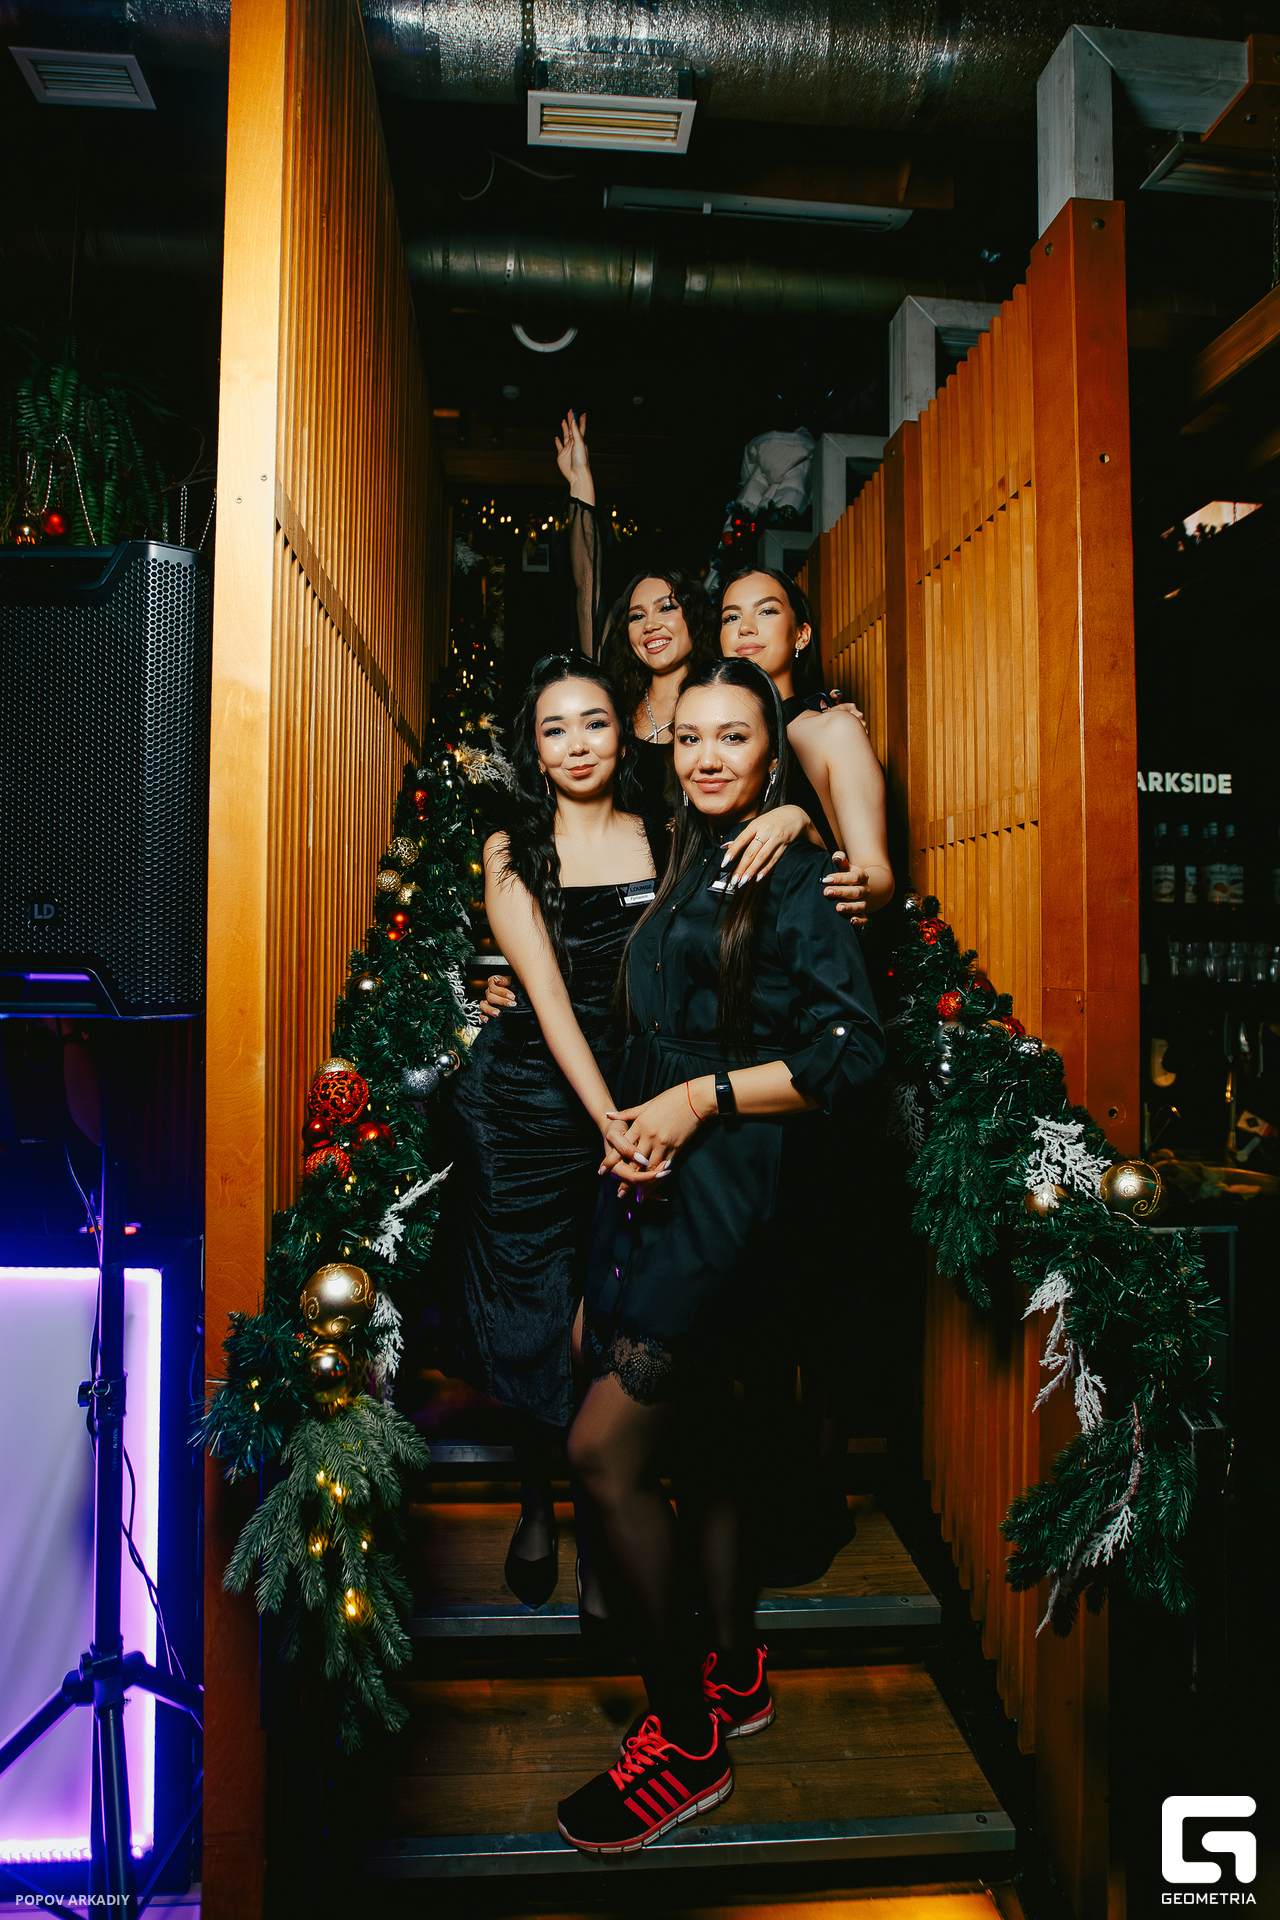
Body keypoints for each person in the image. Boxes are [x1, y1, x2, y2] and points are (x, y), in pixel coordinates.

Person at [555, 658, 884, 1855]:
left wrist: (695, 1102)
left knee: (602, 1455)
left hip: (733, 1197)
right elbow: (663, 1034)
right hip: (656, 1181)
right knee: (706, 1452)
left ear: (769, 749)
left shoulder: (793, 872)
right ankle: (734, 1674)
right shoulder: (697, 858)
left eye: (733, 737)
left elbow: (851, 1054)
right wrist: (637, 1129)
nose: (705, 756)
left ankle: (687, 1744)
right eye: (689, 735)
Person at [435, 655, 833, 1609]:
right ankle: (541, 1505)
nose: (577, 745)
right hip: (533, 1103)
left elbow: (754, 861)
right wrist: (609, 1120)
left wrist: (796, 817)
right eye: (554, 729)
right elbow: (546, 1001)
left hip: (645, 1095)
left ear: (625, 733)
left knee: (602, 1322)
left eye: (595, 723)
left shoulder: (669, 828)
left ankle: (602, 1524)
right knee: (532, 1320)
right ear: (533, 750)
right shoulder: (510, 848)